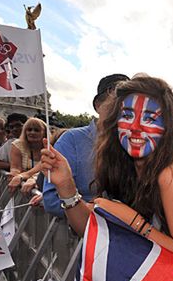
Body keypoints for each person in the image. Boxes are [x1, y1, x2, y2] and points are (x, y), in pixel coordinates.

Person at [41, 75, 173, 259]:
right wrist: (66, 187)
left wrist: (132, 221)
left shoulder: (171, 176)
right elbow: (88, 228)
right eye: (127, 115)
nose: (135, 127)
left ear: (167, 128)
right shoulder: (119, 168)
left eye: (149, 118)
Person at [42, 73, 130, 217]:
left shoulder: (135, 143)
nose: (122, 112)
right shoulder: (72, 140)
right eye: (115, 104)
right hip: (80, 236)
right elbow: (52, 200)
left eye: (129, 108)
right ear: (98, 106)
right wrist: (102, 210)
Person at [8, 117, 46, 195]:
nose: (32, 132)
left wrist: (27, 177)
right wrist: (14, 175)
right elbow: (15, 168)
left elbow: (44, 169)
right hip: (23, 191)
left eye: (37, 130)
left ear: (44, 133)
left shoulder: (50, 147)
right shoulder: (18, 145)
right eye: (29, 130)